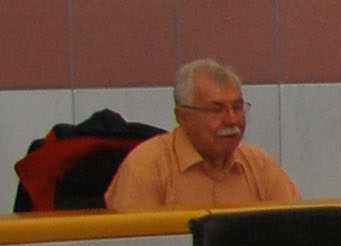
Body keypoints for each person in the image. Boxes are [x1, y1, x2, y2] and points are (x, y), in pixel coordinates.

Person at [103, 60, 301, 213]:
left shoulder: (260, 165)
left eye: (237, 107)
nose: (232, 120)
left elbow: (297, 229)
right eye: (217, 110)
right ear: (183, 116)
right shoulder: (147, 166)